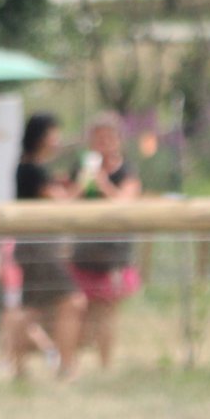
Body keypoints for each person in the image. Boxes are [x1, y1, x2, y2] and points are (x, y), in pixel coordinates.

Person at [0, 113, 79, 381]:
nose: (58, 140)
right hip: (38, 248)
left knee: (30, 310)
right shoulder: (32, 169)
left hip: (31, 247)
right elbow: (62, 203)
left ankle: (15, 365)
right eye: (54, 133)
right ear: (42, 136)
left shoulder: (29, 168)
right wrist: (86, 181)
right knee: (72, 301)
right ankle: (64, 367)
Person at [68, 114, 147, 372]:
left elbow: (126, 200)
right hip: (84, 253)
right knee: (82, 312)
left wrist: (103, 185)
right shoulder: (81, 170)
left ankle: (105, 364)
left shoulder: (127, 171)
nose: (103, 143)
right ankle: (73, 362)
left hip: (114, 256)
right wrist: (84, 182)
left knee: (107, 312)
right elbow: (67, 201)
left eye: (108, 137)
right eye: (97, 138)